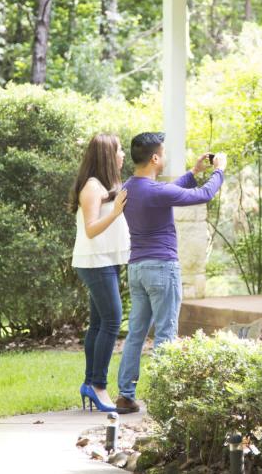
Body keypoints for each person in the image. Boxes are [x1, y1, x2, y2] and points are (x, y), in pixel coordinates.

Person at [114, 132, 226, 413]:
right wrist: (219, 171)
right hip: (162, 268)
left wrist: (194, 172)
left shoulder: (131, 187)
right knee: (165, 332)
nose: (164, 157)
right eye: (162, 153)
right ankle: (165, 397)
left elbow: (166, 194)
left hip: (137, 269)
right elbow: (204, 195)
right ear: (154, 158)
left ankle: (125, 395)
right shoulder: (154, 191)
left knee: (136, 334)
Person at [69, 133, 130, 412]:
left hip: (102, 260)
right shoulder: (92, 187)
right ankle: (98, 385)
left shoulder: (102, 186)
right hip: (95, 261)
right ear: (108, 155)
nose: (122, 156)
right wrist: (116, 211)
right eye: (119, 151)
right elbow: (92, 229)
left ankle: (89, 383)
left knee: (98, 323)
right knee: (112, 321)